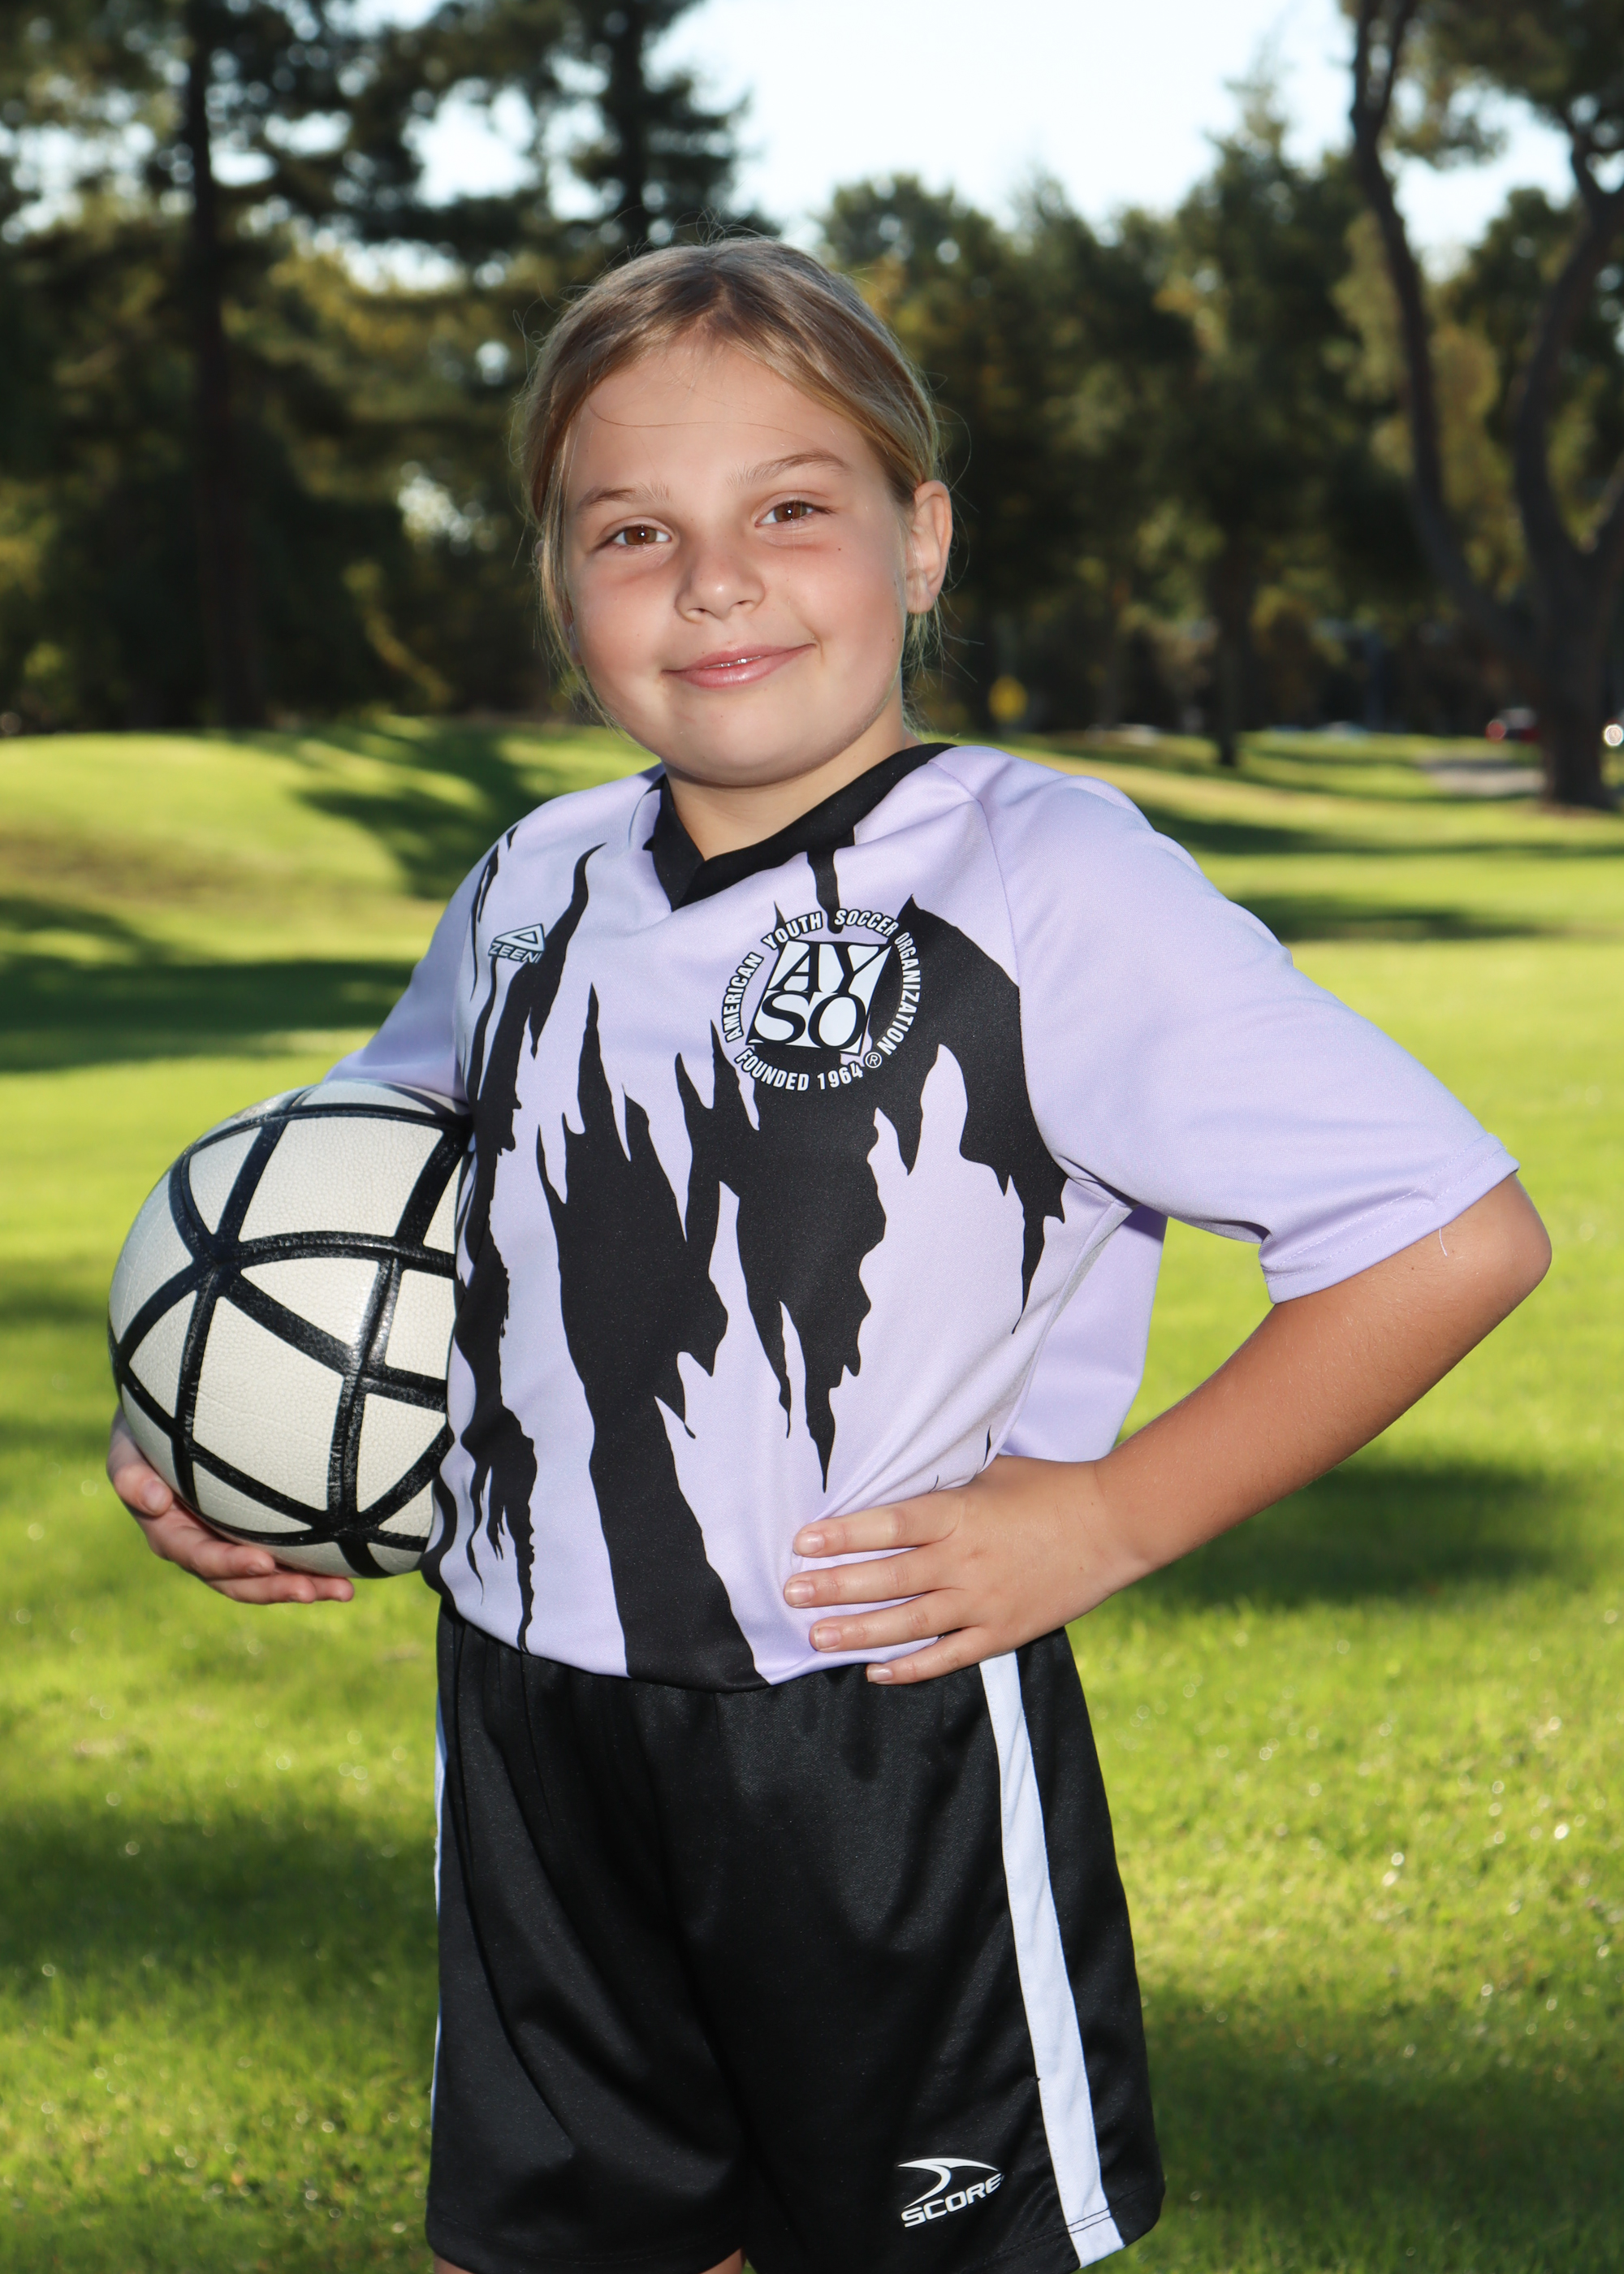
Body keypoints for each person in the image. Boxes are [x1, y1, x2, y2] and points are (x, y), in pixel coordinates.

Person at [107, 239, 1550, 2274]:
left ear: (920, 537)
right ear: (559, 581)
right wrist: (218, 1419)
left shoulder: (1042, 877)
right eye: (633, 530)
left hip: (870, 1737)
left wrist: (1110, 1516)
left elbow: (1445, 1232)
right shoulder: (531, 882)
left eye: (790, 508)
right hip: (527, 1714)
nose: (715, 581)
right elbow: (360, 1183)